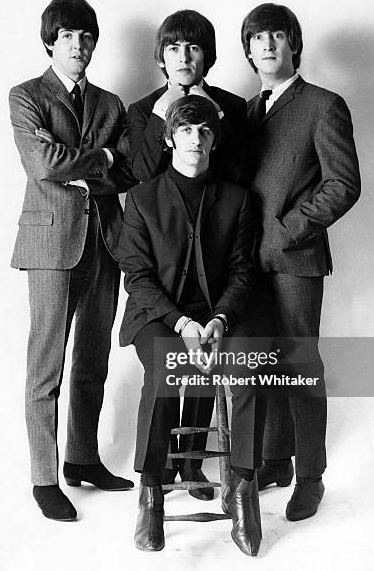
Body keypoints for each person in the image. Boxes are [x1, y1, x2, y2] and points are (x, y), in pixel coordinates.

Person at [119, 96, 266, 555]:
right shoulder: (142, 199)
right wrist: (182, 322)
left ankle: (242, 489)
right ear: (168, 139)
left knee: (245, 373)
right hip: (158, 316)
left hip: (222, 313)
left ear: (214, 141)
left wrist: (219, 318)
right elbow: (137, 277)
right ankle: (150, 494)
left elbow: (243, 272)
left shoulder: (239, 200)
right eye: (185, 130)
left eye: (204, 131)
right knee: (166, 372)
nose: (196, 139)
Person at [9, 0, 135, 521]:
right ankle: (44, 476)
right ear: (50, 43)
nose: (78, 45)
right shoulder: (26, 96)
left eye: (85, 36)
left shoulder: (111, 104)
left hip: (106, 241)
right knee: (47, 364)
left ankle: (82, 460)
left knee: (93, 359)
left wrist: (95, 163)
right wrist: (101, 157)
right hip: (50, 243)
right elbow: (42, 163)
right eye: (67, 37)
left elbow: (130, 170)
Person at [240, 3, 361, 521]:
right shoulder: (245, 111)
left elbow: (344, 184)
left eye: (276, 36)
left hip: (296, 261)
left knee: (299, 367)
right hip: (248, 263)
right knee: (261, 363)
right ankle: (275, 461)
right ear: (247, 51)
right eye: (258, 39)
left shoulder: (324, 105)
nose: (267, 46)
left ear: (293, 43)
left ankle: (310, 477)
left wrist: (287, 231)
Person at [128, 9, 249, 500]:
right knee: (167, 361)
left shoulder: (230, 108)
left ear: (207, 57)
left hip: (209, 292)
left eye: (194, 48)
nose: (184, 57)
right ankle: (152, 483)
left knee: (206, 358)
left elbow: (240, 173)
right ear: (161, 57)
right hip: (158, 303)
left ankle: (194, 465)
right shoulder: (144, 112)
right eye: (174, 48)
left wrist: (209, 118)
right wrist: (168, 115)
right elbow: (140, 174)